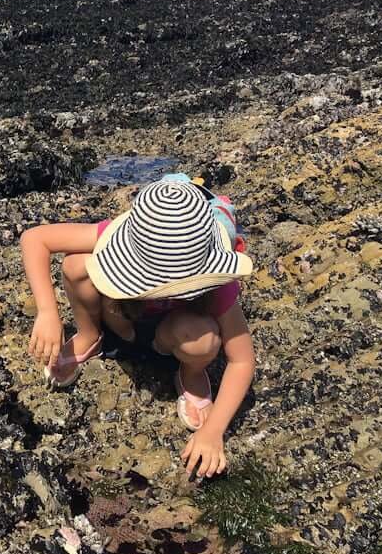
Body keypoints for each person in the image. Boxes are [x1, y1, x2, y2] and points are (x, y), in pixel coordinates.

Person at [19, 176, 254, 479]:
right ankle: (91, 336)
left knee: (204, 339)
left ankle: (191, 372)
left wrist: (214, 430)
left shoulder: (217, 285)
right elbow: (34, 239)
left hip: (173, 335)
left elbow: (242, 359)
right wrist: (48, 312)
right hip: (121, 317)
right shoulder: (124, 234)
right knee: (76, 265)